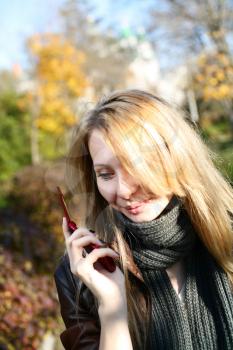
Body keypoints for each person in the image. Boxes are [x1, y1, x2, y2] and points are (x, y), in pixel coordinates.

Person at [54, 89, 233, 350]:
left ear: (178, 159)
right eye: (105, 174)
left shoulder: (226, 234)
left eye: (136, 165)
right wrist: (112, 311)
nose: (123, 191)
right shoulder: (80, 275)